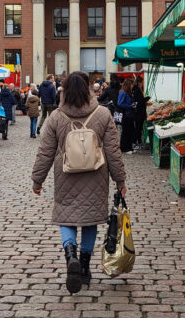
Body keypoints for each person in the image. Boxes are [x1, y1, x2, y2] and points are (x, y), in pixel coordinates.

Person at [32, 71, 127, 295]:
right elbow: (114, 151)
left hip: (66, 174)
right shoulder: (103, 114)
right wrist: (120, 180)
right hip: (96, 174)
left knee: (66, 216)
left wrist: (38, 179)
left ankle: (70, 254)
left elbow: (45, 151)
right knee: (90, 219)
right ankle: (83, 267)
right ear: (88, 89)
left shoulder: (56, 116)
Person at [117, 78, 135, 154]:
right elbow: (119, 103)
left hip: (129, 114)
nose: (132, 86)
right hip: (126, 115)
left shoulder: (128, 93)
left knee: (130, 131)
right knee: (126, 132)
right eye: (131, 85)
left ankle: (129, 147)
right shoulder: (123, 93)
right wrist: (130, 106)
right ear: (128, 85)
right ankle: (124, 148)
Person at [131, 75, 150, 149]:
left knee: (138, 128)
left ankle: (138, 142)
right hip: (139, 112)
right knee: (138, 128)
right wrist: (146, 99)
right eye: (142, 82)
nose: (142, 84)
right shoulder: (137, 90)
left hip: (138, 112)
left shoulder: (136, 89)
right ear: (139, 82)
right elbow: (140, 101)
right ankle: (135, 143)